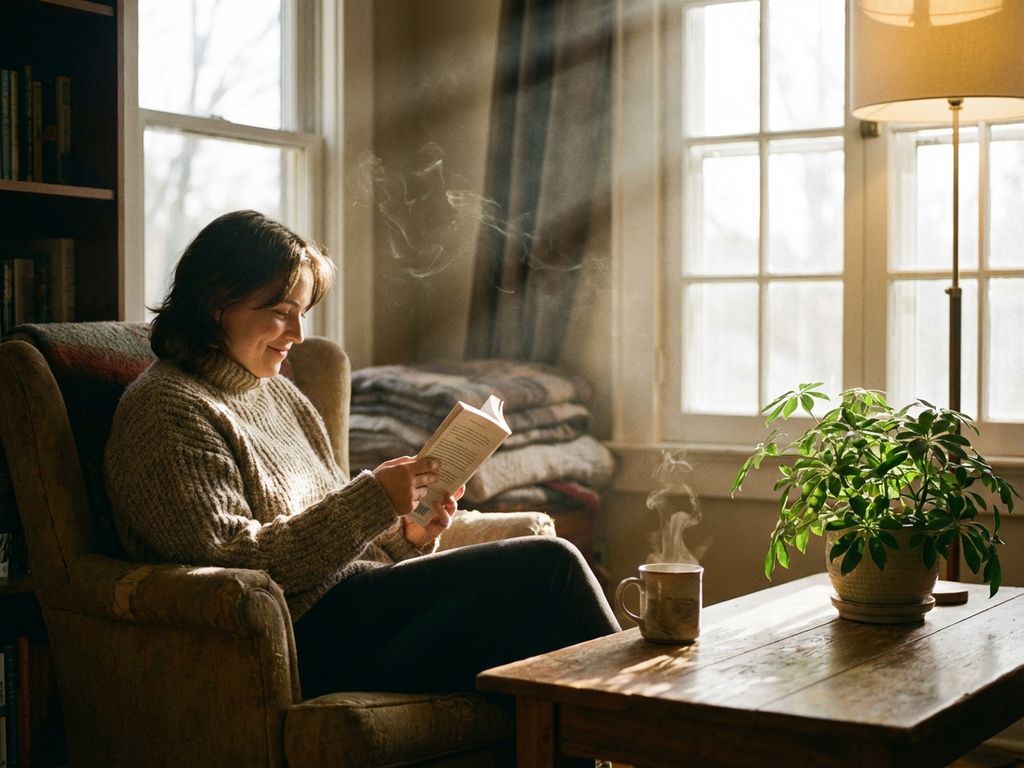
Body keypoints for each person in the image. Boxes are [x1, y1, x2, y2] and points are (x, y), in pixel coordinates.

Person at [104, 209, 620, 698]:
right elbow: (234, 562)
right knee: (547, 570)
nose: (298, 336)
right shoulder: (168, 410)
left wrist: (410, 535)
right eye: (282, 314)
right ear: (218, 306)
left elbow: (330, 528)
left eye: (302, 314)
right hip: (305, 636)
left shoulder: (280, 394)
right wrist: (372, 498)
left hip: (366, 605)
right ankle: (649, 732)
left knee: (535, 645)